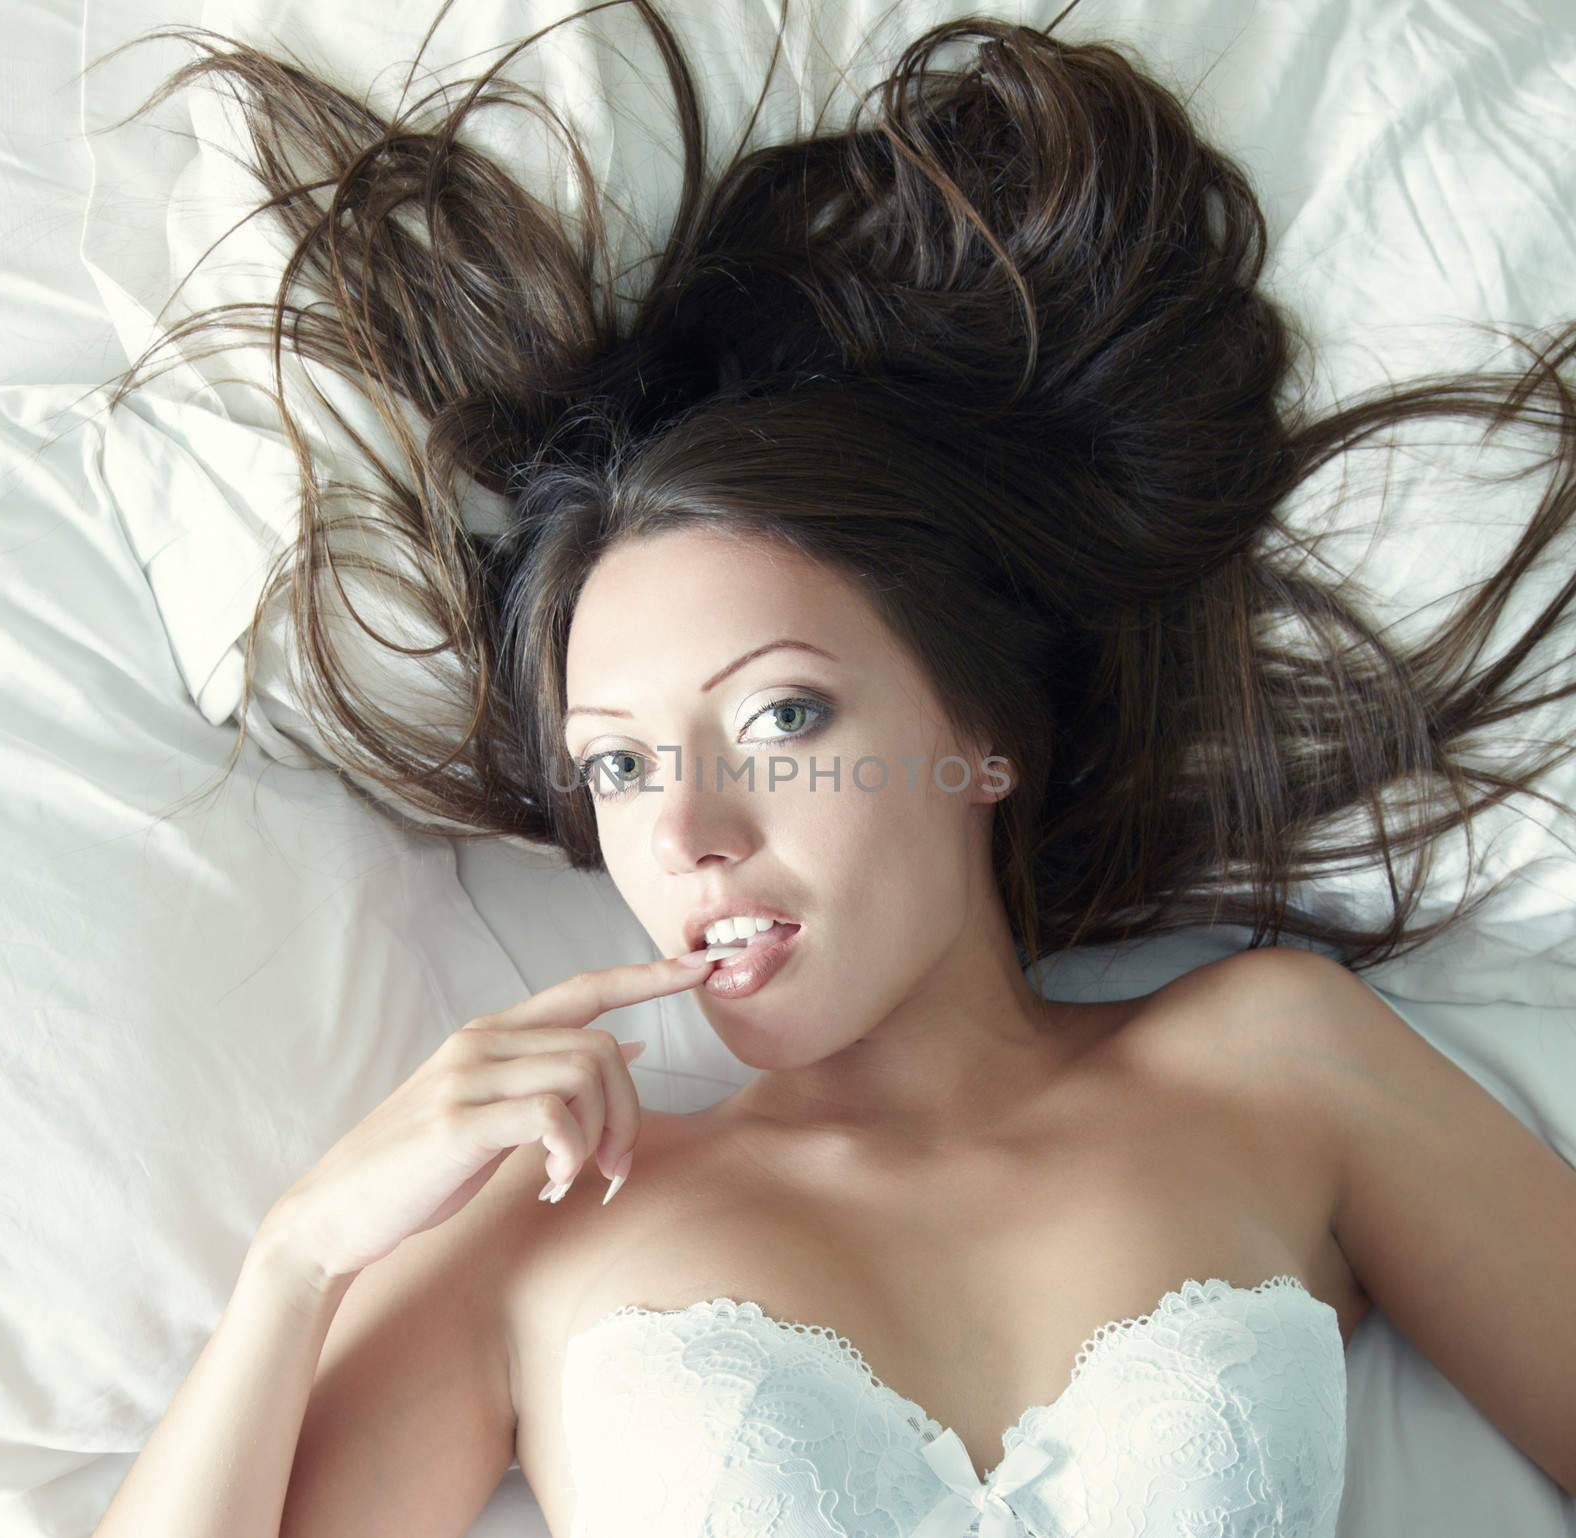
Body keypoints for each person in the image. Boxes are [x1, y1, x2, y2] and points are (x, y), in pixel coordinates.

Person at [85, 1, 1576, 1534]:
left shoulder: (1278, 1064)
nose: (691, 831)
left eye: (784, 718)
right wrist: (297, 1258)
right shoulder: (536, 1233)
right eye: (618, 766)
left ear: (982, 736)